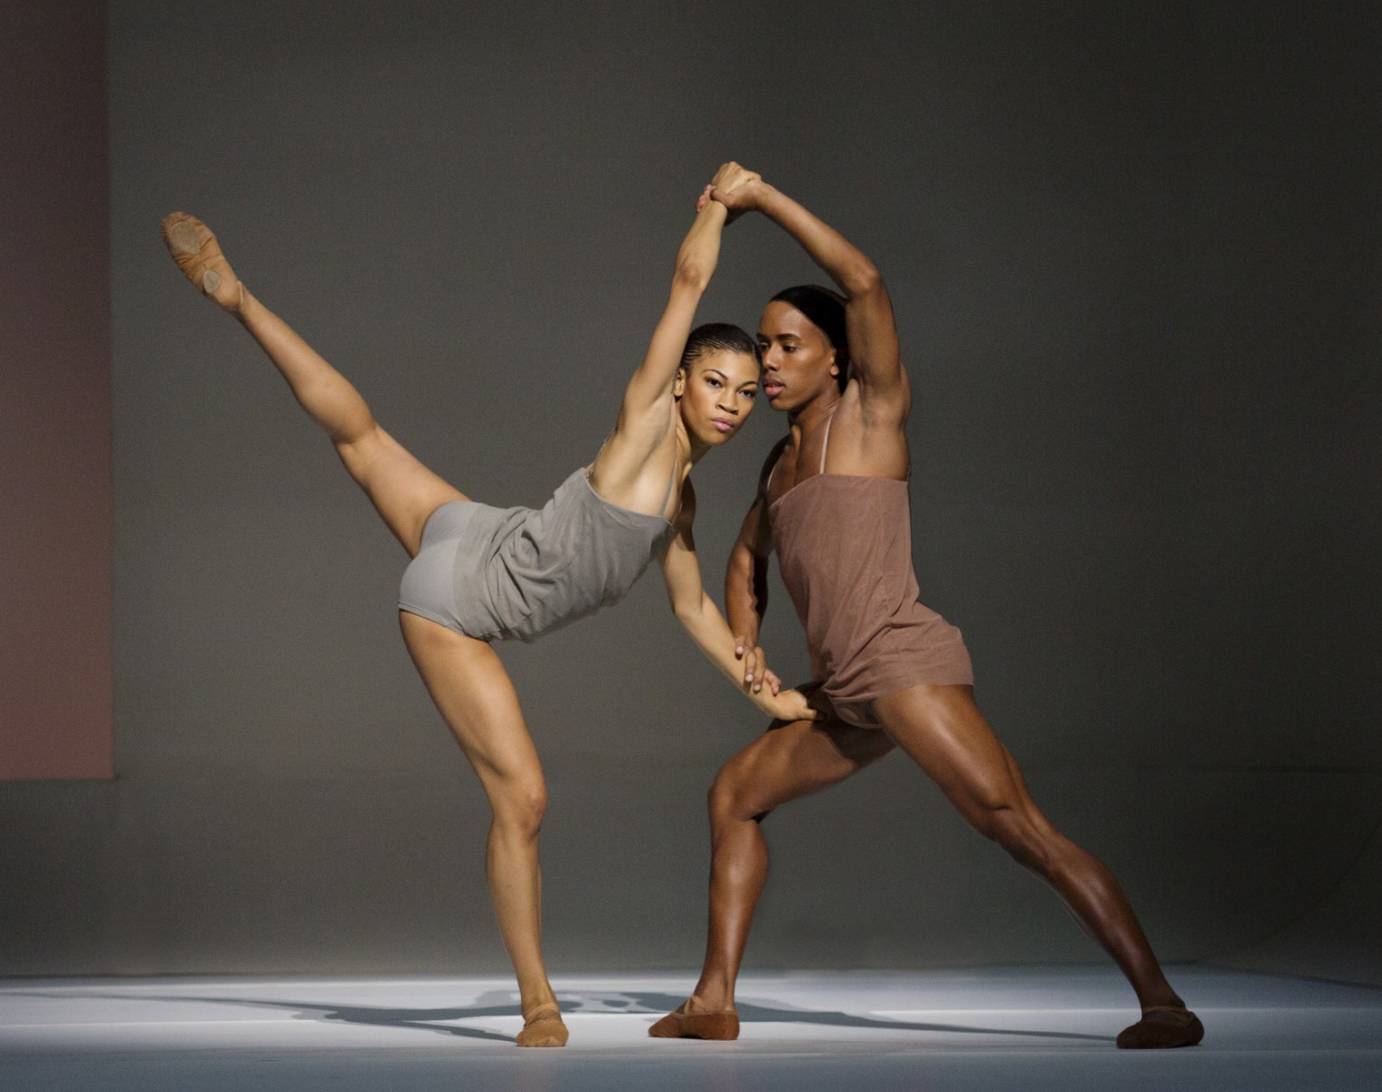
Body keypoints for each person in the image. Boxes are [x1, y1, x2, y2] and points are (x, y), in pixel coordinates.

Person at [160, 163, 816, 1048]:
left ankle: (239, 300)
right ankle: (539, 1004)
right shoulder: (641, 430)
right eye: (715, 383)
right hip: (457, 601)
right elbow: (688, 282)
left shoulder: (682, 502)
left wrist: (758, 686)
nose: (733, 404)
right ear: (678, 385)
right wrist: (718, 209)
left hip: (479, 530)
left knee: (362, 437)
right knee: (525, 803)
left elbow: (694, 608)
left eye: (746, 392)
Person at [650, 170, 1204, 1050]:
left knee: (1017, 827)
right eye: (763, 347)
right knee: (735, 796)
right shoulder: (777, 466)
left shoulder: (872, 413)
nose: (771, 363)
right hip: (846, 691)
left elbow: (865, 282)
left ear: (836, 357)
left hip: (903, 666)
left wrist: (762, 199)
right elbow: (745, 558)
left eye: (790, 345)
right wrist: (748, 642)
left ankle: (1162, 1002)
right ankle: (713, 1001)